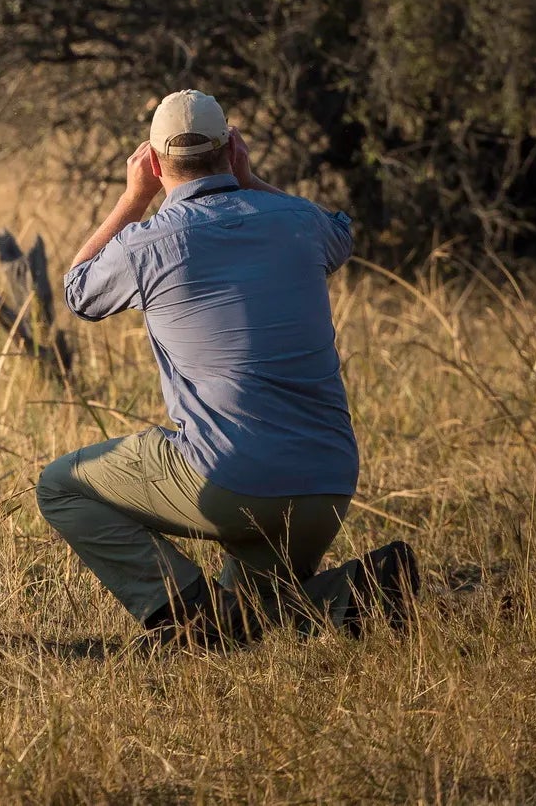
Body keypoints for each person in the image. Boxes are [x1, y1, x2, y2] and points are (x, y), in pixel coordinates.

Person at [39, 90, 419, 649]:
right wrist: (252, 180)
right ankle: (353, 591)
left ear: (152, 161)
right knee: (250, 619)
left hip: (232, 481)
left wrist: (132, 199)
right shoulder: (297, 221)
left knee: (59, 487)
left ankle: (189, 620)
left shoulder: (151, 242)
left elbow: (79, 293)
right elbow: (341, 235)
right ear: (232, 148)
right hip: (328, 484)